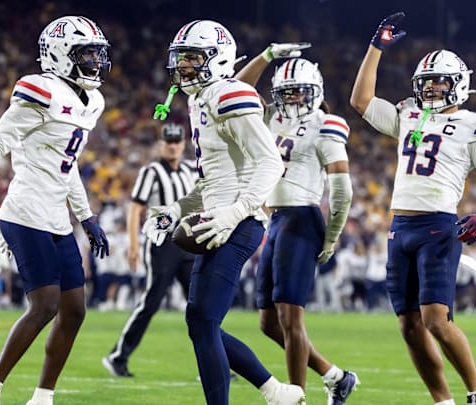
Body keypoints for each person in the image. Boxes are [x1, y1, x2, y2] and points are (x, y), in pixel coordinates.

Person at [142, 19, 305, 405]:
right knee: (200, 322)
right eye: (181, 59)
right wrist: (175, 209)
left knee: (203, 322)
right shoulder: (200, 98)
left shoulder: (228, 94)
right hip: (218, 218)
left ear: (218, 59)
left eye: (193, 58)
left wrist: (235, 212)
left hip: (237, 223)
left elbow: (269, 163)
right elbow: (211, 180)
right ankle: (275, 390)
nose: (183, 67)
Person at [349, 12, 476, 405]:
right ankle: (443, 401)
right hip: (399, 227)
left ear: (459, 84)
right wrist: (376, 48)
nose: (433, 88)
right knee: (409, 327)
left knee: (437, 319)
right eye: (427, 82)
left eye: (441, 81)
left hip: (438, 227)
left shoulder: (474, 124)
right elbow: (361, 100)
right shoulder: (408, 114)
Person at [0, 15, 110, 405]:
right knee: (45, 303)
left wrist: (86, 217)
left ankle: (43, 396)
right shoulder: (41, 90)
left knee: (75, 309)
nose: (95, 61)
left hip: (56, 217)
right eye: (86, 53)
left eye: (98, 53)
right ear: (61, 55)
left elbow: (69, 163)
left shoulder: (92, 100)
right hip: (23, 212)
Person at [235, 47, 359, 403]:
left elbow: (342, 189)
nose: (291, 98)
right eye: (285, 91)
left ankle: (297, 396)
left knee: (290, 319)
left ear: (316, 90)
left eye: (299, 91)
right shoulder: (271, 117)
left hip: (302, 218)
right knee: (268, 323)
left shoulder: (326, 124)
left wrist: (332, 236)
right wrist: (266, 56)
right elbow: (236, 88)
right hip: (276, 220)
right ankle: (336, 376)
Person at [102, 123, 197, 377]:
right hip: (161, 243)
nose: (173, 146)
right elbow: (135, 209)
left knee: (201, 305)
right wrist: (134, 245)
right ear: (161, 144)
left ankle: (214, 361)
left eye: (177, 141)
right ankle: (118, 356)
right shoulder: (151, 172)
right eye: (169, 142)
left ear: (183, 144)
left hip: (187, 242)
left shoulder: (190, 170)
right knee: (152, 302)